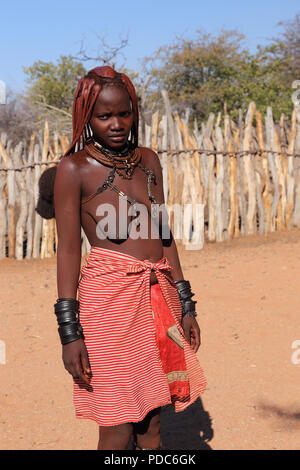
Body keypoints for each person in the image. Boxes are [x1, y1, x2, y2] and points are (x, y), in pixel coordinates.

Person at [50, 66, 206, 450]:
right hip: (108, 304)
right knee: (118, 426)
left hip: (158, 296)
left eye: (125, 113)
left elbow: (163, 234)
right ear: (86, 117)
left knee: (153, 418)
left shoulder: (148, 160)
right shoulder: (74, 170)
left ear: (135, 112)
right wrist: (70, 333)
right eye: (104, 116)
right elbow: (69, 250)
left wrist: (185, 304)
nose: (116, 124)